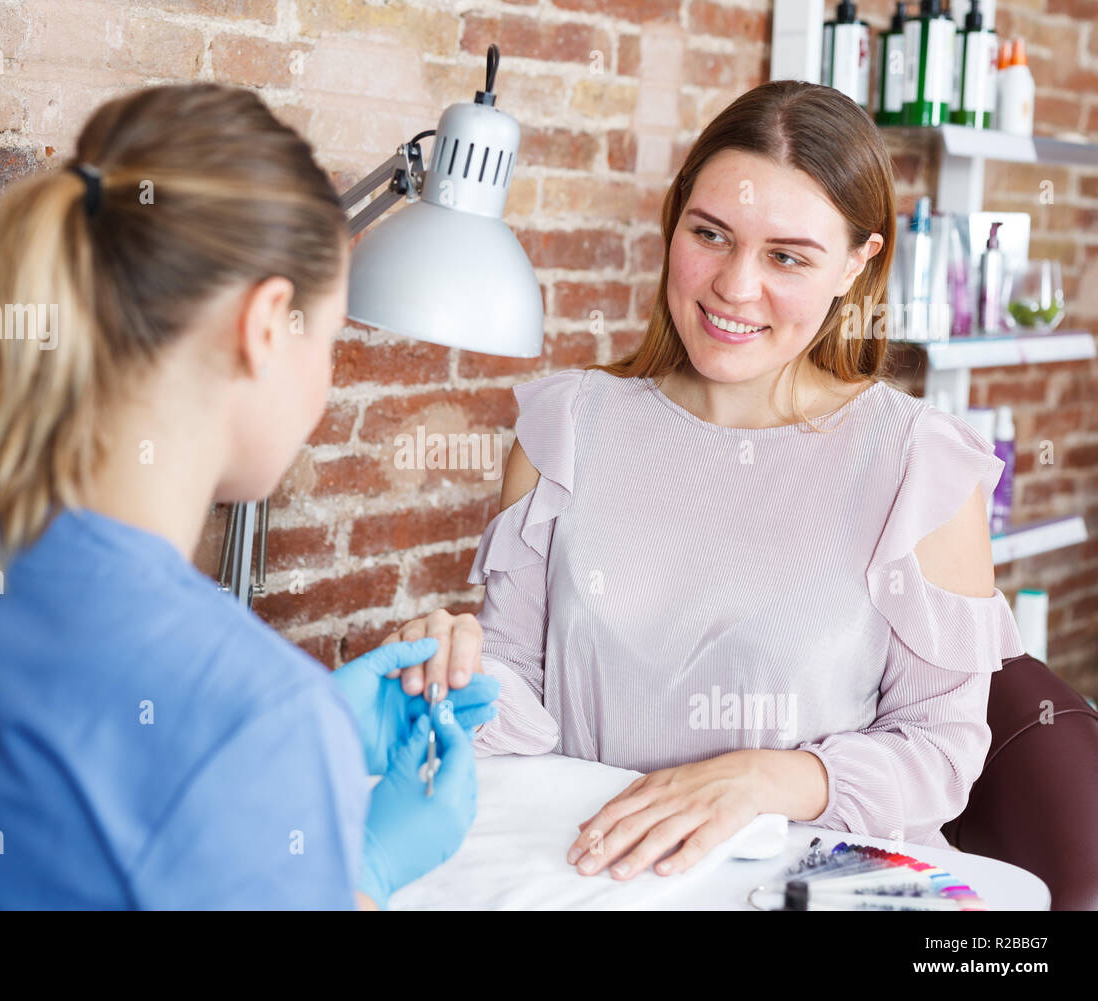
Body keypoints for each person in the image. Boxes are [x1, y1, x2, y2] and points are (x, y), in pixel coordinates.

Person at [0, 83, 499, 910]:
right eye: (334, 335)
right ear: (266, 326)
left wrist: (312, 735)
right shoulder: (256, 719)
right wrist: (365, 868)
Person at [415, 80, 1026, 879]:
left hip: (799, 886)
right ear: (676, 221)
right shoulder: (566, 428)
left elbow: (940, 752)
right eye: (711, 234)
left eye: (786, 256)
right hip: (595, 871)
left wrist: (765, 778)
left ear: (855, 263)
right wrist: (450, 677)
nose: (735, 286)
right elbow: (514, 697)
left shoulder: (920, 465)